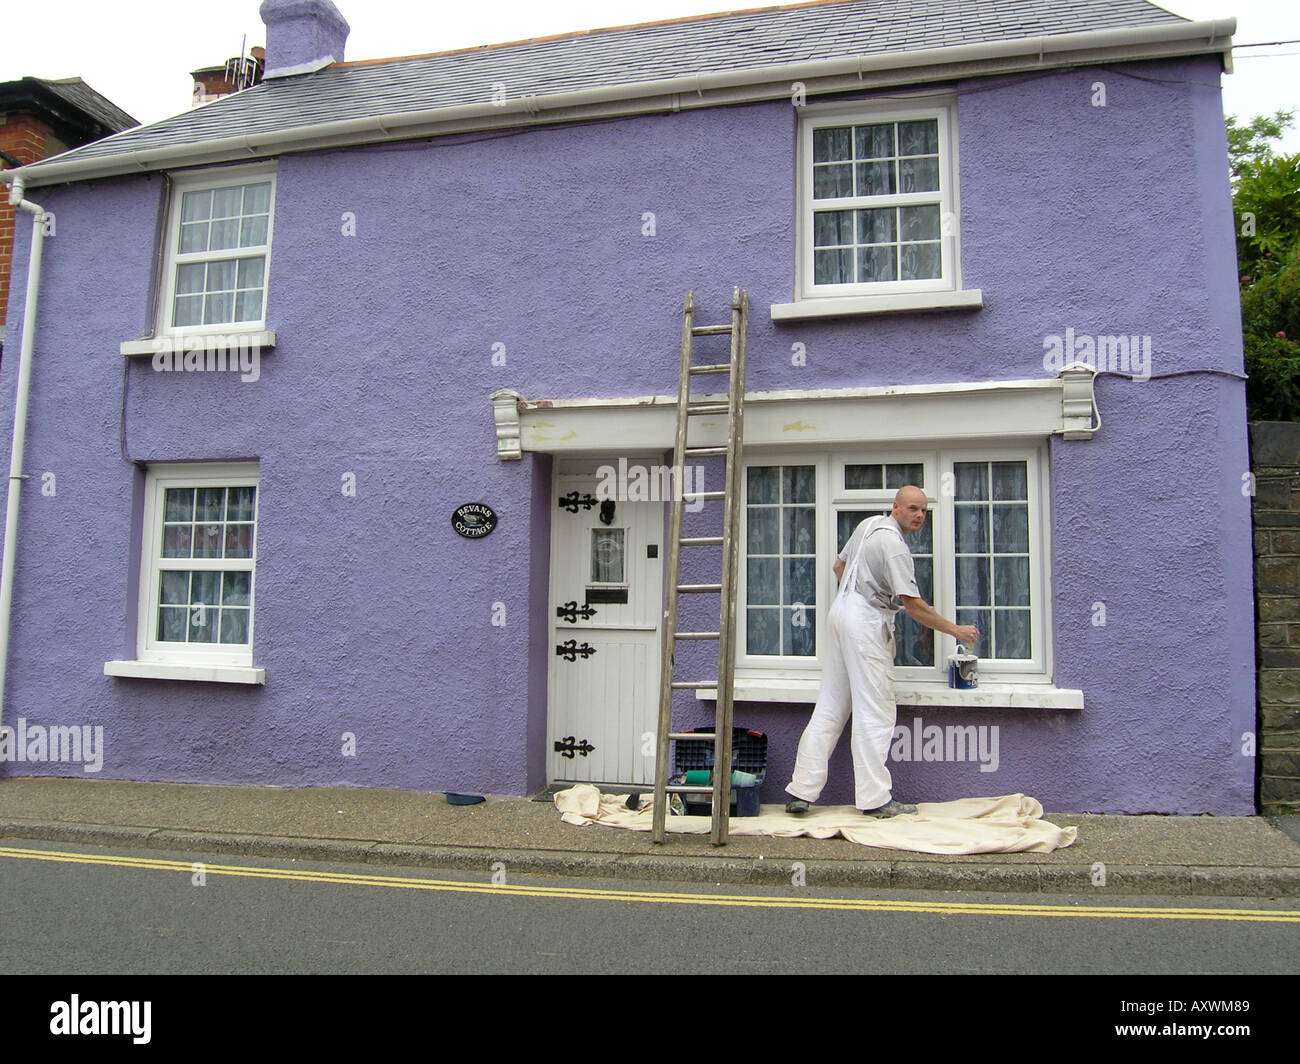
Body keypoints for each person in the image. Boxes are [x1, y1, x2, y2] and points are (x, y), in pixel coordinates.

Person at [784, 485, 979, 817]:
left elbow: (838, 568)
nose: (919, 515)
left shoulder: (867, 525)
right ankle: (875, 800)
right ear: (896, 508)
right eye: (913, 508)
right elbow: (914, 607)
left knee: (830, 707)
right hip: (865, 622)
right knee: (876, 710)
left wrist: (857, 596)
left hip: (840, 612)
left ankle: (801, 791)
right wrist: (956, 631)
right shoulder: (895, 547)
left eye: (924, 510)